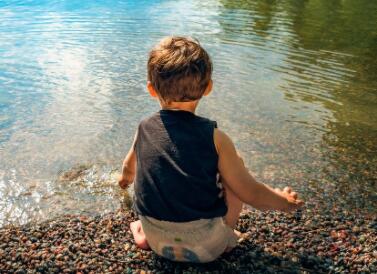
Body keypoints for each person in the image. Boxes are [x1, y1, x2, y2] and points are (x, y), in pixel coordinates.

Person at [118, 36, 304, 263]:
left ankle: (143, 233)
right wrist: (284, 202)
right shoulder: (216, 138)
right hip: (206, 248)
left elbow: (128, 169)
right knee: (235, 165)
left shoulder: (144, 127)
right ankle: (227, 237)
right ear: (208, 88)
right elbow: (250, 193)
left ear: (151, 89)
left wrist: (123, 184)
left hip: (157, 242)